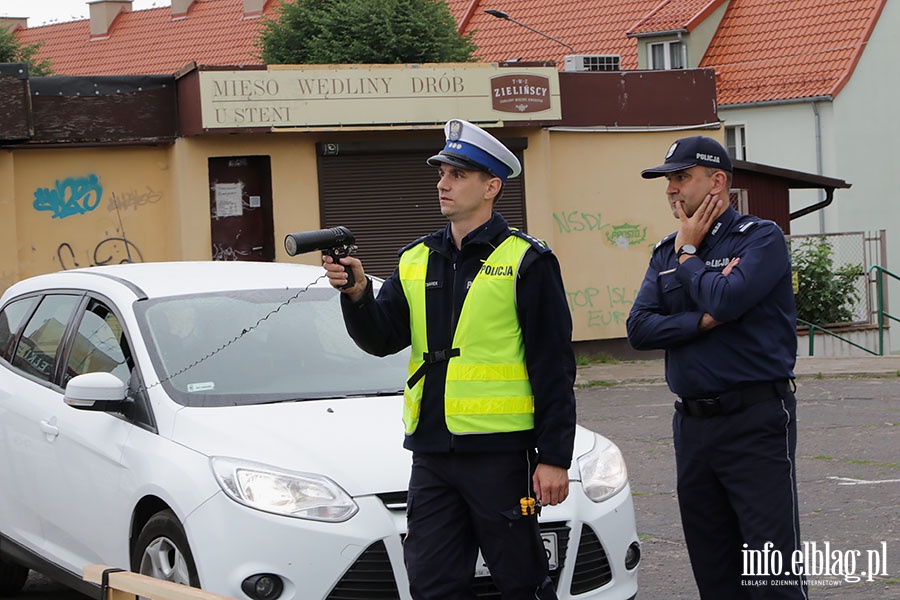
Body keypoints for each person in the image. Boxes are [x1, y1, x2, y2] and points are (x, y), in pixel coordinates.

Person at [323, 119, 576, 599]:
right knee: (433, 585)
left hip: (501, 455)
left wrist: (555, 458)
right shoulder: (415, 258)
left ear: (491, 187)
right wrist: (357, 294)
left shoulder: (527, 260)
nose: (442, 183)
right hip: (432, 454)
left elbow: (554, 365)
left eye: (458, 174)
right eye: (442, 172)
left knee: (521, 582)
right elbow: (383, 339)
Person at [626, 136, 808, 599]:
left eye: (681, 178)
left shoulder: (760, 238)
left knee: (771, 573)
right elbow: (640, 329)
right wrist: (702, 321)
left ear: (717, 181)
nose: (671, 189)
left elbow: (729, 297)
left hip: (754, 420)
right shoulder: (664, 251)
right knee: (715, 569)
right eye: (668, 180)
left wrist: (690, 255)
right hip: (693, 428)